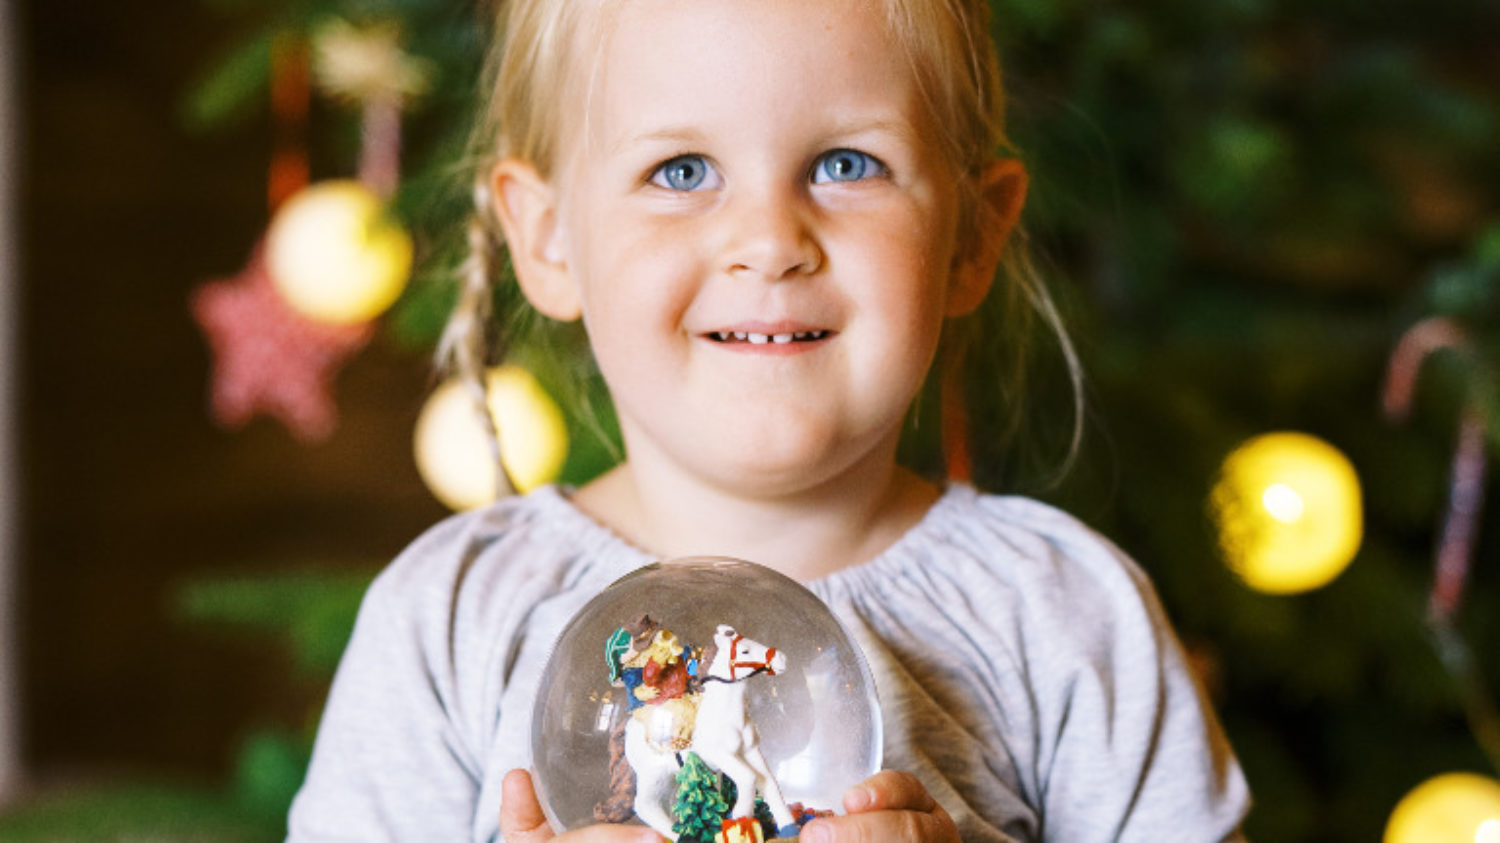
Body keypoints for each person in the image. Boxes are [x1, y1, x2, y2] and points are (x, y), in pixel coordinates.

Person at [287, 0, 1252, 839]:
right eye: (681, 171)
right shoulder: (451, 620)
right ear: (548, 239)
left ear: (971, 234)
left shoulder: (1070, 616)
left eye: (846, 163)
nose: (769, 241)